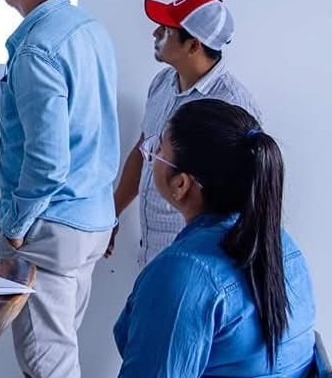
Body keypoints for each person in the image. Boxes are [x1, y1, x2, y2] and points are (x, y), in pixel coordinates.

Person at [0, 0, 119, 378]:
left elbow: (47, 161)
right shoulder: (89, 28)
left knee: (48, 365)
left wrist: (15, 227)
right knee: (58, 355)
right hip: (92, 220)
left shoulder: (36, 49)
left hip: (52, 229)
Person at [114, 99, 316, 376]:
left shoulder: (183, 272)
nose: (152, 155)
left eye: (158, 149)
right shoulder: (279, 241)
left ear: (181, 184)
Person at [109, 0, 260, 266]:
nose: (155, 33)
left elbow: (244, 196)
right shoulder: (162, 83)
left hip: (198, 259)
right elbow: (144, 152)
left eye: (166, 29)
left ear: (193, 46)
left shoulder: (231, 104)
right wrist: (112, 214)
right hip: (152, 251)